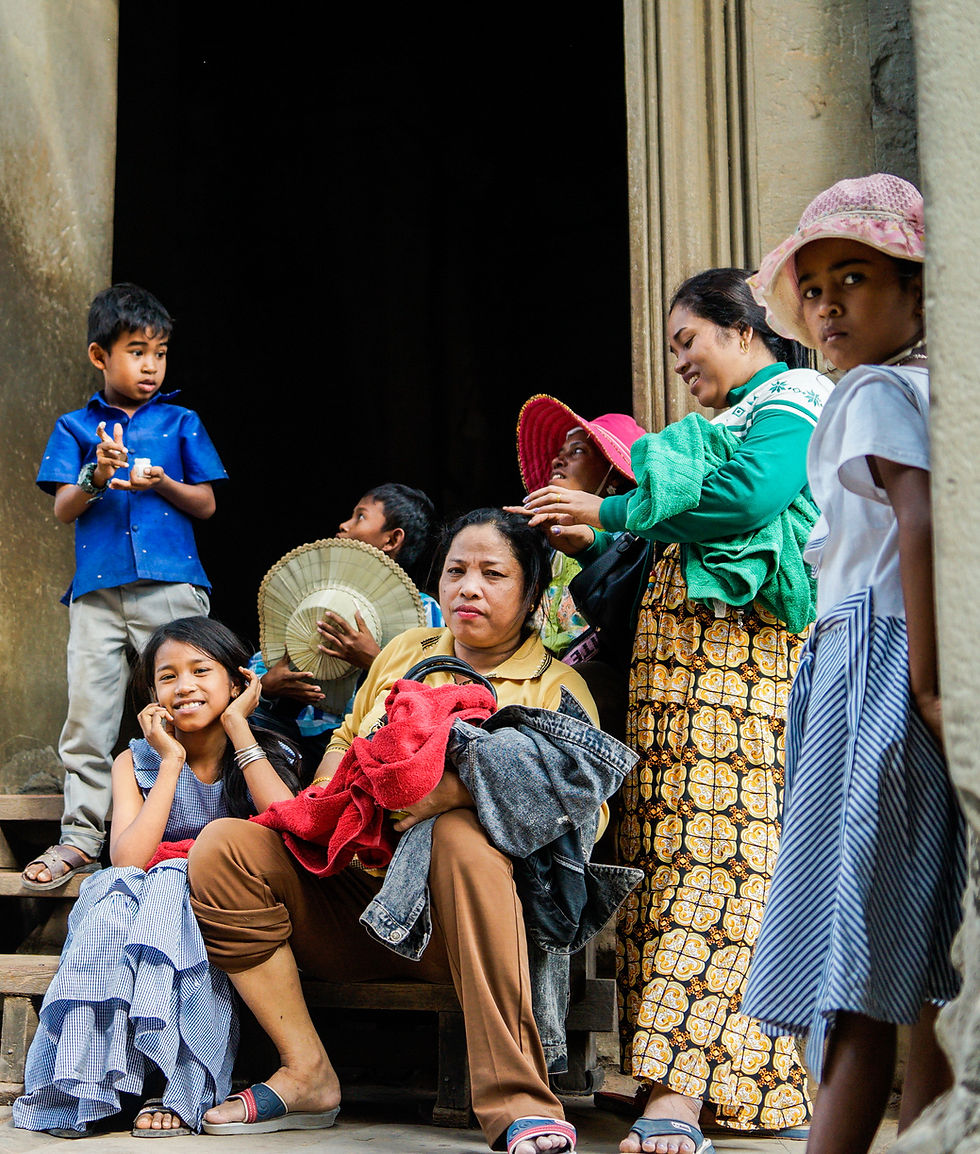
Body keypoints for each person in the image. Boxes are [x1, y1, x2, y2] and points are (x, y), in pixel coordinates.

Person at [186, 508, 634, 1154]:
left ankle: (520, 1101)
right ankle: (307, 1069)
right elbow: (345, 742)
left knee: (456, 832)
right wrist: (341, 800)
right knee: (223, 850)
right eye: (455, 572)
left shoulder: (553, 688)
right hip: (359, 906)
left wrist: (457, 791)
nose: (468, 588)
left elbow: (581, 819)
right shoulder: (405, 655)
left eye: (492, 574)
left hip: (467, 938)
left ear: (533, 595)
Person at [522, 268, 834, 1154]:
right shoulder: (725, 420)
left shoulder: (795, 395)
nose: (681, 362)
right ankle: (726, 1082)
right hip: (676, 675)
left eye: (687, 340)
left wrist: (610, 506)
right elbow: (679, 530)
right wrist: (602, 534)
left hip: (736, 671)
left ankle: (681, 1095)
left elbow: (749, 501)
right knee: (664, 861)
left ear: (743, 328)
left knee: (721, 864)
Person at [739, 175, 965, 1154]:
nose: (828, 304)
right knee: (919, 954)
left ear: (917, 294)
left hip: (872, 668)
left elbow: (914, 524)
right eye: (816, 287)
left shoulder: (875, 391)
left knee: (857, 947)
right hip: (875, 659)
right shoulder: (926, 393)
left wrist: (921, 678)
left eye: (855, 278)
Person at [13, 616, 302, 1137]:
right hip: (145, 891)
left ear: (238, 682)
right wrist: (169, 761)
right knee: (114, 897)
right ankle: (98, 1082)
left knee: (172, 887)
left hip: (227, 898)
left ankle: (178, 1084)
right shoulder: (136, 759)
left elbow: (290, 822)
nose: (184, 686)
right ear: (151, 694)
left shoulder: (268, 747)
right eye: (167, 677)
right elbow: (127, 858)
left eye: (201, 671)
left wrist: (239, 727)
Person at [25, 284, 227, 891]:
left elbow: (207, 504)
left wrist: (163, 482)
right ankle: (81, 837)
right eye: (136, 351)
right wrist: (97, 473)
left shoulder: (180, 421)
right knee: (89, 716)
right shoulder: (75, 427)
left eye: (159, 353)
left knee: (192, 703)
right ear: (99, 355)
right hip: (97, 592)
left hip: (172, 586)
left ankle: (208, 824)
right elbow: (65, 508)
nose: (150, 365)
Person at [248, 482, 443, 769]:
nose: (344, 524)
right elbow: (257, 668)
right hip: (292, 736)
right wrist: (268, 686)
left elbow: (434, 691)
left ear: (392, 539)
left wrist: (374, 661)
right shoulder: (313, 594)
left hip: (368, 744)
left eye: (360, 517)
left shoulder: (425, 612)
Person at [515, 398, 646, 659]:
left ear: (614, 473)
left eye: (576, 451)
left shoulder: (635, 541)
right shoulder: (546, 542)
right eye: (559, 453)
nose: (557, 461)